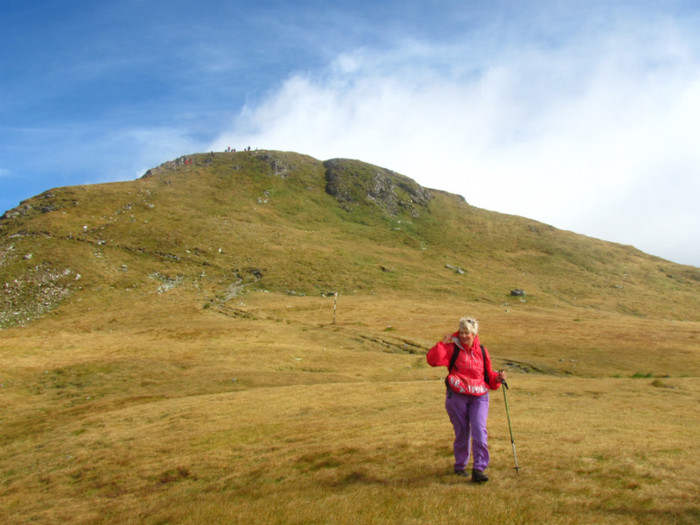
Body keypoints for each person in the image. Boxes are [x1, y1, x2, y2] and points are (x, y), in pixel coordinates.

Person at [426, 316, 506, 483]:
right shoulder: (451, 348)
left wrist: (497, 379)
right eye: (461, 332)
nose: (463, 336)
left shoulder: (482, 351)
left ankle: (478, 469)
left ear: (474, 334)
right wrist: (442, 343)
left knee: (479, 430)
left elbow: (488, 377)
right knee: (462, 431)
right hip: (457, 396)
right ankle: (460, 466)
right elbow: (432, 360)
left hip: (479, 396)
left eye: (467, 333)